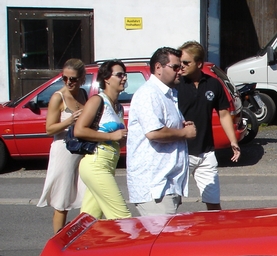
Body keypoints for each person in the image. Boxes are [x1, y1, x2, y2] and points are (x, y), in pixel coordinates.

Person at [126, 47, 196, 216]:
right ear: (158, 67)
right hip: (154, 186)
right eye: (175, 67)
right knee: (162, 232)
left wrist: (182, 127)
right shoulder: (149, 93)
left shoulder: (168, 94)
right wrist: (185, 133)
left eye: (181, 67)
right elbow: (154, 133)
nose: (180, 71)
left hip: (167, 184)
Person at [177, 41, 240, 211]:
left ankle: (216, 228)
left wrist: (233, 141)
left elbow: (224, 114)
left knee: (213, 203)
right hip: (181, 152)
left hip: (206, 153)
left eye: (186, 63)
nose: (181, 66)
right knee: (172, 202)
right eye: (180, 62)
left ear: (199, 64)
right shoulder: (176, 85)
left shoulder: (213, 84)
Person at [75, 59, 131, 220]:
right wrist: (111, 136)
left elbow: (116, 137)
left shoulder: (118, 107)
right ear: (106, 79)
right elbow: (79, 130)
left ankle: (83, 238)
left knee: (89, 220)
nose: (124, 78)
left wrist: (120, 140)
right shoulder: (97, 100)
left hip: (108, 164)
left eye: (125, 75)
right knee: (122, 218)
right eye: (119, 75)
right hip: (96, 163)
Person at [37, 59, 89, 233]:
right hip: (63, 150)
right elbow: (49, 129)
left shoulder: (83, 93)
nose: (68, 82)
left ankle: (83, 237)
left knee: (87, 196)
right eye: (64, 78)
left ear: (82, 78)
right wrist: (69, 120)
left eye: (73, 79)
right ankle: (57, 240)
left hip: (81, 150)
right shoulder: (57, 97)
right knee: (62, 200)